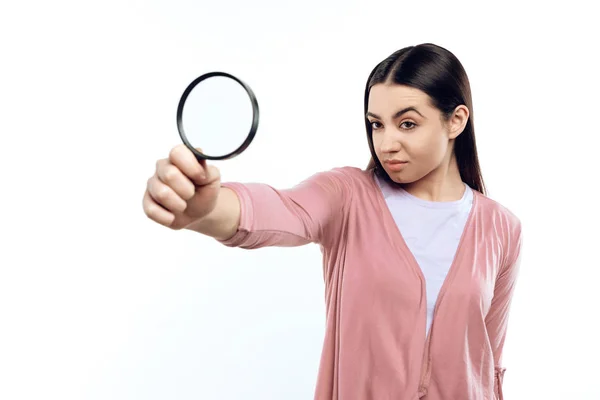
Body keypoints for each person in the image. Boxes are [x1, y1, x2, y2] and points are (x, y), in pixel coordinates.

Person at [143, 43, 522, 400]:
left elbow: (488, 364)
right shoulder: (347, 196)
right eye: (376, 124)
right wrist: (205, 209)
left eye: (407, 124)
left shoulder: (502, 228)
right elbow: (281, 210)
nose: (386, 142)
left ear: (455, 121)